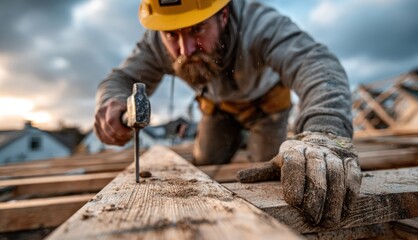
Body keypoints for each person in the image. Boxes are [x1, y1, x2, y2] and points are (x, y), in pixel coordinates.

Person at [94, 0, 362, 227]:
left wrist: (325, 130)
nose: (185, 50)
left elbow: (316, 65)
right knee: (204, 162)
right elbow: (121, 78)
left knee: (271, 176)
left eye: (197, 29)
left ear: (223, 15)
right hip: (218, 111)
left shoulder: (259, 24)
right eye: (172, 36)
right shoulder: (158, 38)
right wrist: (113, 102)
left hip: (265, 110)